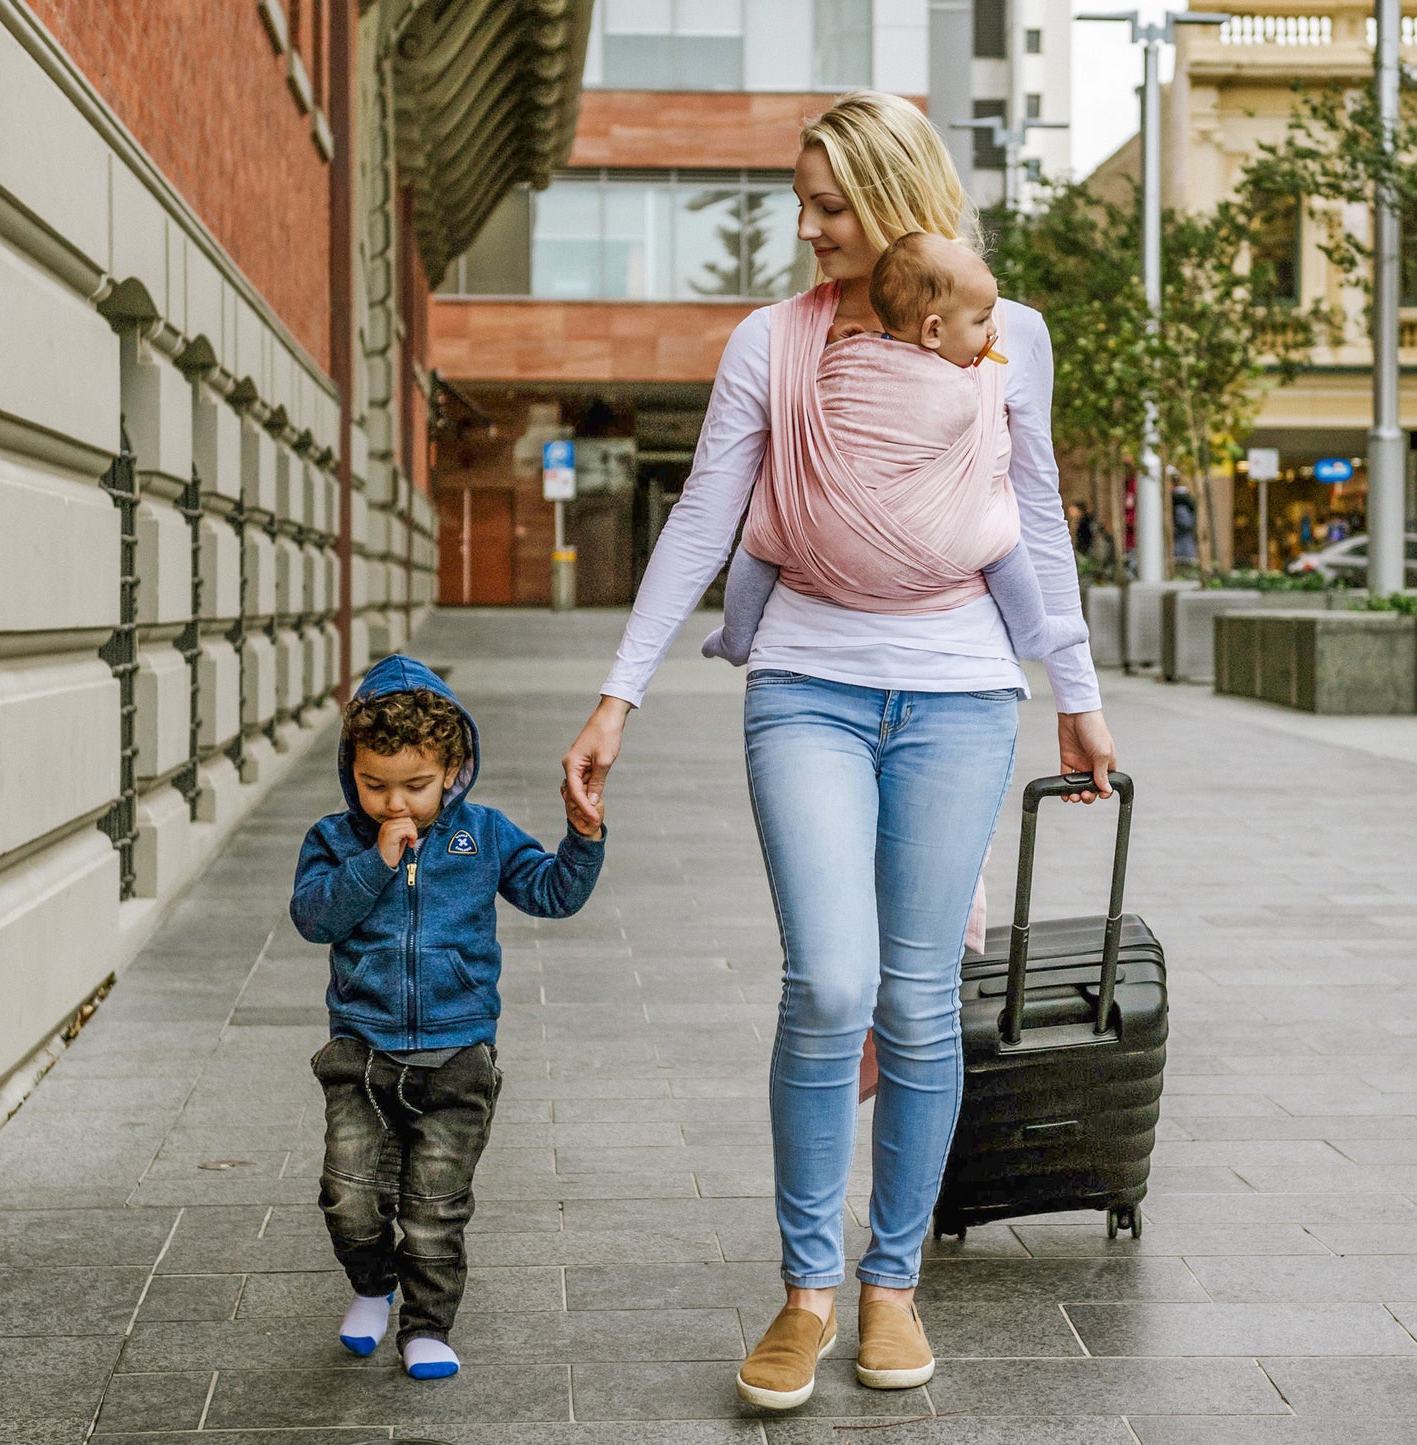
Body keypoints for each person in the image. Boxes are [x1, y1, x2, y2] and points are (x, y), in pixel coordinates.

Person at [562, 90, 1116, 1413]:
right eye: (799, 204)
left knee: (917, 999)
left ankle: (890, 1285)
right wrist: (616, 694)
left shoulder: (1006, 340)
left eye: (830, 206)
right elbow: (705, 515)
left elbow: (1036, 520)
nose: (806, 230)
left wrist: (1078, 693)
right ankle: (806, 1292)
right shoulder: (774, 340)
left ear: (897, 201)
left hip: (961, 695)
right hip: (805, 681)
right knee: (828, 981)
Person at [291, 654, 606, 1380]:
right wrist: (374, 859)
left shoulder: (483, 834)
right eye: (374, 785)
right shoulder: (335, 840)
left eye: (415, 786)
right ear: (351, 768)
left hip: (458, 1052)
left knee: (434, 1205)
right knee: (347, 1193)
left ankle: (426, 1325)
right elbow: (314, 917)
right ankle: (373, 1286)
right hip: (362, 1052)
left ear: (453, 767)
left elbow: (552, 893)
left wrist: (582, 838)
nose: (394, 802)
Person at [701, 234, 1088, 667]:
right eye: (981, 321)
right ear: (934, 331)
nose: (994, 332)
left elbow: (833, 389)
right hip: (938, 553)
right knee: (1003, 539)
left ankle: (736, 637)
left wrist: (839, 345)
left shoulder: (844, 358)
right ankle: (1034, 632)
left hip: (822, 540)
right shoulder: (962, 389)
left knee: (761, 540)